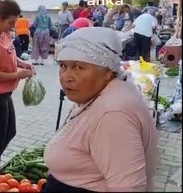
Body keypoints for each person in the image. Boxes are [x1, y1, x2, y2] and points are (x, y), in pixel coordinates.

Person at [44, 27, 158, 192]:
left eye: (78, 67)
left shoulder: (113, 115)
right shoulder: (100, 94)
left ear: (107, 71)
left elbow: (128, 187)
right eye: (63, 66)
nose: (66, 77)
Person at [0, 0, 35, 176]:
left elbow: (11, 56)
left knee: (10, 132)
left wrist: (23, 64)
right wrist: (17, 75)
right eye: (10, 22)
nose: (13, 27)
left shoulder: (5, 35)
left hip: (4, 93)